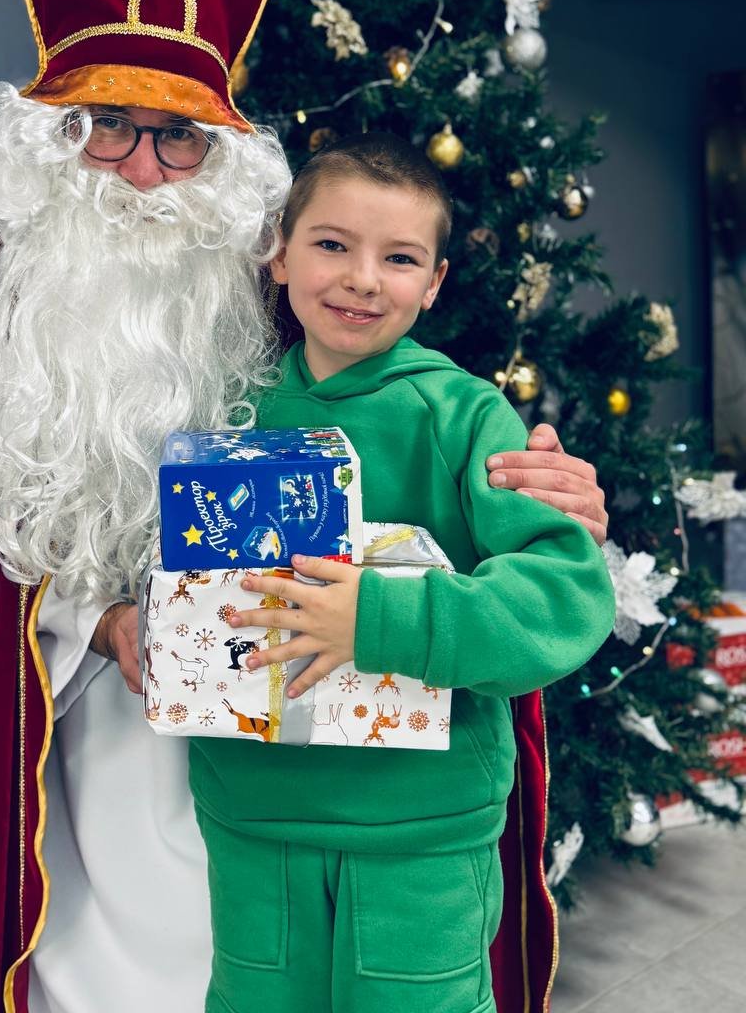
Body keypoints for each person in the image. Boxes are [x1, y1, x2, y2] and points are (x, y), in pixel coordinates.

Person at [0, 0, 608, 1013]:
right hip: (64, 712)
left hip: (294, 726)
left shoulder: (256, 267)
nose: (143, 167)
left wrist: (544, 486)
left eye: (178, 137)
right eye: (105, 126)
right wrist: (91, 618)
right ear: (48, 131)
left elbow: (400, 421)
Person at [189, 134, 615, 1013]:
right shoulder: (224, 412)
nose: (363, 279)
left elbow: (565, 596)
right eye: (332, 244)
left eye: (399, 258)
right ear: (279, 252)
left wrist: (376, 621)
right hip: (252, 816)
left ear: (434, 283)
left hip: (421, 829)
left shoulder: (467, 416)